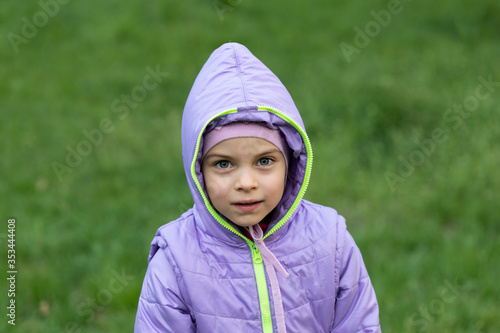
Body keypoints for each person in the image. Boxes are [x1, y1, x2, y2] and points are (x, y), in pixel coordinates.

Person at [134, 42, 380, 333]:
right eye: (224, 164)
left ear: (290, 161)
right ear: (198, 169)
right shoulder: (176, 261)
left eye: (264, 161)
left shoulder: (331, 241)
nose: (247, 183)